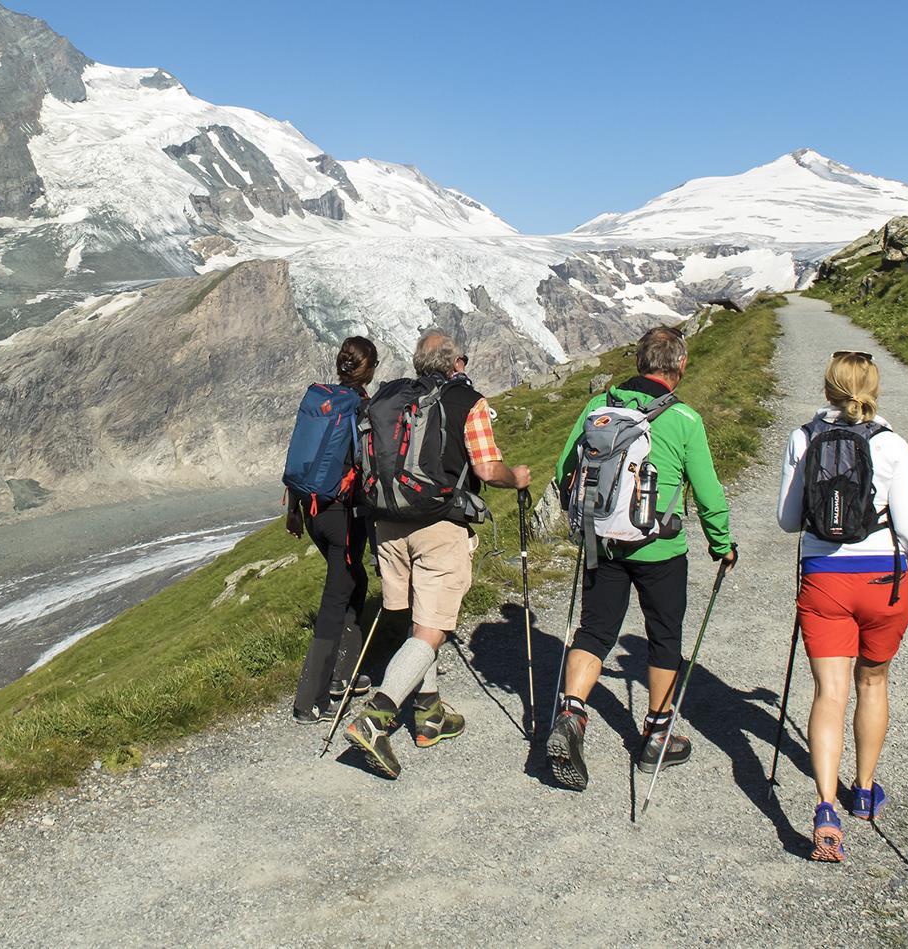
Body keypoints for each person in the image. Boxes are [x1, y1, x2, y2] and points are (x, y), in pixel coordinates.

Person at [544, 325, 736, 792]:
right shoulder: (684, 418)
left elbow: (564, 467)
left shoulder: (599, 406)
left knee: (594, 630)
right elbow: (708, 492)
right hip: (659, 548)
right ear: (680, 366)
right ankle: (657, 735)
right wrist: (722, 544)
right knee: (663, 636)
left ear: (638, 362)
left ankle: (571, 713)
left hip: (603, 541)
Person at [342, 330, 530, 778]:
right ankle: (376, 718)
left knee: (417, 618)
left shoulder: (393, 398)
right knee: (432, 629)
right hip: (438, 525)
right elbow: (486, 468)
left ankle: (429, 714)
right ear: (457, 363)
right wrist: (517, 477)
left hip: (387, 524)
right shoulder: (468, 401)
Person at [776, 349, 908, 863]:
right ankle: (863, 791)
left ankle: (825, 807)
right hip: (884, 580)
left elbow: (788, 521)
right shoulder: (892, 444)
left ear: (827, 389)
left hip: (825, 580)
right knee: (873, 682)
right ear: (875, 390)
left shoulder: (803, 438)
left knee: (830, 692)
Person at [289, 336, 380, 723]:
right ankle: (310, 698)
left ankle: (345, 673)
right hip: (343, 514)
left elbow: (300, 454)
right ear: (369, 369)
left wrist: (293, 510)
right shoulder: (360, 408)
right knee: (335, 599)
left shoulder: (321, 401)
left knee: (354, 581)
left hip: (313, 512)